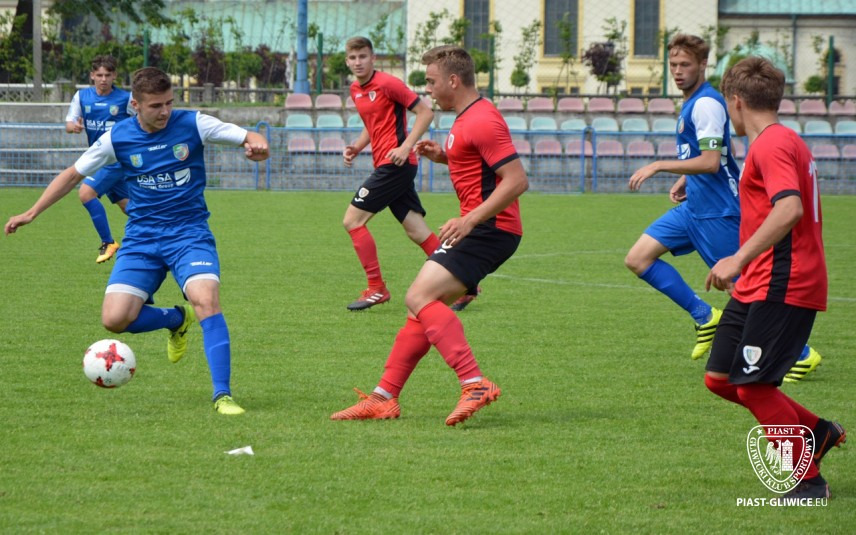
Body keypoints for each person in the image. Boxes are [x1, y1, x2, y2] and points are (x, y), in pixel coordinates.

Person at [5, 67, 270, 415]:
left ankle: (223, 395)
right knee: (115, 319)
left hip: (189, 234)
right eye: (156, 105)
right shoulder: (118, 138)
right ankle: (176, 319)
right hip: (142, 238)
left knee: (206, 300)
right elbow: (72, 175)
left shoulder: (194, 123)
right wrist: (32, 212)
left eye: (169, 103)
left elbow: (249, 135)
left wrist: (258, 145)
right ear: (136, 104)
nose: (165, 111)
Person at [331, 45, 528, 425]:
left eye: (432, 81)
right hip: (485, 227)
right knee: (419, 308)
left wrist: (470, 220)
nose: (428, 89)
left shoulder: (482, 119)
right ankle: (383, 398)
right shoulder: (466, 118)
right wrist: (444, 157)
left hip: (491, 229)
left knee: (419, 296)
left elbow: (517, 180)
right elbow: (481, 163)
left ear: (453, 80)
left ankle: (473, 382)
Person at [624, 34, 821, 380]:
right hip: (695, 207)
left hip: (717, 210)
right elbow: (711, 157)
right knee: (638, 258)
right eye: (673, 64)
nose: (678, 71)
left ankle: (802, 354)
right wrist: (686, 179)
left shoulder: (706, 103)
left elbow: (712, 161)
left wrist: (659, 165)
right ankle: (705, 316)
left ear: (703, 65)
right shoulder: (695, 102)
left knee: (741, 282)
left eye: (685, 64)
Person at [704, 57, 844, 498]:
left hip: (784, 281)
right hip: (760, 281)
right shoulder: (778, 141)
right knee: (720, 378)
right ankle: (816, 432)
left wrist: (737, 258)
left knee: (754, 386)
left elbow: (789, 209)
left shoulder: (772, 144)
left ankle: (807, 481)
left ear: (736, 102)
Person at [341, 36, 441, 311]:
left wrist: (406, 146)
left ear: (373, 58)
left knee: (352, 220)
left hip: (396, 164)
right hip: (389, 164)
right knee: (416, 230)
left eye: (363, 56)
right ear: (347, 61)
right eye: (353, 58)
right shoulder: (355, 89)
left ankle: (376, 288)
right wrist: (357, 147)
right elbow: (371, 123)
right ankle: (465, 282)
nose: (358, 62)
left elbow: (425, 113)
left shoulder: (388, 83)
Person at [66, 55, 135, 264]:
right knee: (130, 207)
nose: (103, 79)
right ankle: (165, 229)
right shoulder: (82, 96)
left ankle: (108, 242)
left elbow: (142, 120)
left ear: (114, 76)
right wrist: (74, 127)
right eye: (99, 75)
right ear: (92, 76)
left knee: (86, 193)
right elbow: (69, 123)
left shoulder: (126, 99)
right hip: (98, 159)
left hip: (117, 159)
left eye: (107, 75)